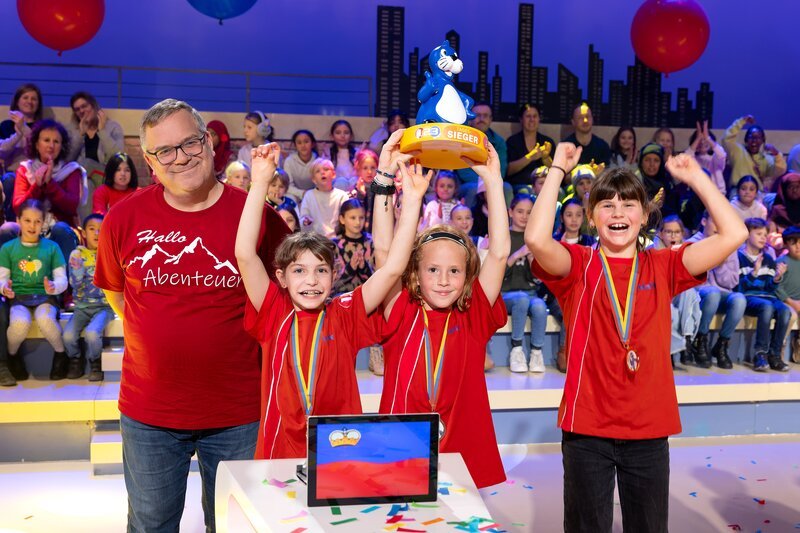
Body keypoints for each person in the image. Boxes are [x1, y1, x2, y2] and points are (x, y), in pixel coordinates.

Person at [525, 140, 746, 532]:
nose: (618, 213)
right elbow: (537, 241)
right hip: (587, 429)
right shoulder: (578, 265)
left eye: (629, 205)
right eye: (607, 205)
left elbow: (734, 234)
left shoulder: (664, 265)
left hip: (648, 430)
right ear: (592, 216)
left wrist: (696, 177)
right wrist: (557, 169)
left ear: (645, 216)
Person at [94, 98, 290, 532]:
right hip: (149, 414)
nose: (180, 157)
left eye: (190, 143)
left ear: (210, 142)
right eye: (165, 151)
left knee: (235, 525)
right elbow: (115, 291)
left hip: (240, 411)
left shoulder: (258, 216)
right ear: (149, 160)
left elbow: (285, 302)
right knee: (151, 524)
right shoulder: (123, 219)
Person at [235, 132, 424, 459]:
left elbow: (392, 268)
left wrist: (412, 200)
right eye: (299, 271)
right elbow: (245, 254)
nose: (311, 280)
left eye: (321, 270)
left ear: (334, 275)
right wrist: (261, 182)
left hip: (339, 450)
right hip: (281, 450)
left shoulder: (345, 311)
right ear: (281, 277)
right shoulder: (274, 311)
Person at [377, 139, 510, 489]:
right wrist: (389, 181)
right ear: (415, 273)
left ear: (468, 275)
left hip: (461, 451)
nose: (443, 280)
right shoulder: (400, 307)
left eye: (454, 271)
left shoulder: (472, 312)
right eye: (433, 270)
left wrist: (494, 183)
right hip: (402, 447)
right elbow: (384, 250)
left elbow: (497, 254)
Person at [0, 199, 68, 385]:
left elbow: (62, 279)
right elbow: (2, 278)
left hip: (45, 298)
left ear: (43, 223)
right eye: (28, 220)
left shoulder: (51, 248)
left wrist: (54, 286)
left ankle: (61, 355)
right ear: (19, 220)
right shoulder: (8, 249)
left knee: (46, 319)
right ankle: (13, 357)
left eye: (37, 221)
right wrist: (4, 288)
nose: (32, 226)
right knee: (20, 323)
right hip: (19, 299)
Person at [6, 119, 82, 265]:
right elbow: (18, 207)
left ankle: (64, 286)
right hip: (29, 228)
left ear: (62, 146)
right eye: (46, 140)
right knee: (7, 229)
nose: (51, 145)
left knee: (61, 229)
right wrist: (38, 185)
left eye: (56, 141)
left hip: (58, 228)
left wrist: (50, 184)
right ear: (36, 144)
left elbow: (71, 206)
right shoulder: (25, 169)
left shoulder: (71, 170)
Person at [686, 213, 746, 369]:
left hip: (721, 293)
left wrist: (720, 266)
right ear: (704, 221)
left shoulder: (729, 245)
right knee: (712, 293)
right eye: (715, 222)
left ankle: (722, 344)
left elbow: (733, 281)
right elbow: (689, 277)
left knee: (739, 299)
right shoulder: (691, 244)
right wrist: (712, 261)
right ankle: (700, 339)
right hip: (699, 293)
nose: (719, 226)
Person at [62, 214, 113, 381]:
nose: (97, 233)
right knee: (68, 335)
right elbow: (75, 284)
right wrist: (79, 268)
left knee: (92, 333)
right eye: (92, 229)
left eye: (101, 230)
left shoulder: (110, 253)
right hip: (81, 307)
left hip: (104, 306)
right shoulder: (77, 254)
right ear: (83, 233)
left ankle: (95, 362)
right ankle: (75, 359)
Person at [737, 218, 791, 372]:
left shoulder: (768, 259)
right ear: (747, 235)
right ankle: (760, 354)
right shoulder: (739, 257)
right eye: (759, 233)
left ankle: (775, 355)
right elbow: (740, 287)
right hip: (748, 297)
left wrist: (776, 278)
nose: (763, 237)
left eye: (765, 234)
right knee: (766, 307)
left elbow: (769, 288)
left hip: (767, 296)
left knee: (785, 310)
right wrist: (754, 272)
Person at [501, 194, 547, 373]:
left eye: (529, 212)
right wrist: (517, 255)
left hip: (530, 292)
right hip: (506, 294)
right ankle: (517, 349)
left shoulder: (534, 238)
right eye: (520, 211)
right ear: (510, 212)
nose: (524, 216)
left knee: (539, 307)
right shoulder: (503, 236)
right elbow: (496, 275)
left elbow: (538, 279)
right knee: (521, 299)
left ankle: (536, 352)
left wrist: (531, 260)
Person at [456, 102, 509, 206]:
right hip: (468, 183)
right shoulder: (462, 138)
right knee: (472, 188)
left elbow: (501, 170)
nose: (481, 119)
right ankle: (467, 221)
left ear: (491, 119)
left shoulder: (499, 142)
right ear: (470, 118)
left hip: (491, 179)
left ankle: (507, 221)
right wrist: (484, 183)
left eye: (485, 116)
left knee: (506, 187)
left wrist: (488, 181)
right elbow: (463, 172)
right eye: (478, 115)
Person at [66, 91, 125, 182]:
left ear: (93, 106)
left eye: (84, 106)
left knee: (87, 163)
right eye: (77, 109)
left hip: (107, 175)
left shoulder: (113, 127)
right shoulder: (72, 130)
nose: (81, 111)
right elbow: (68, 159)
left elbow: (118, 156)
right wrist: (80, 135)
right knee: (88, 183)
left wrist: (102, 131)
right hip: (85, 178)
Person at [723, 115, 786, 190]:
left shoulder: (765, 158)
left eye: (758, 138)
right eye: (751, 137)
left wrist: (776, 154)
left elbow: (780, 171)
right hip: (738, 192)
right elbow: (727, 139)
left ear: (763, 141)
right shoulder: (738, 151)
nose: (754, 141)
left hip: (757, 193)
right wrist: (742, 121)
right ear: (746, 139)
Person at [506, 103, 555, 194]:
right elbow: (508, 170)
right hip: (520, 185)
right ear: (521, 119)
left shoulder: (547, 142)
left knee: (558, 191)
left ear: (539, 119)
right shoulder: (512, 141)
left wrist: (545, 157)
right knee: (526, 191)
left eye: (535, 116)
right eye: (528, 116)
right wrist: (530, 157)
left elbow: (555, 171)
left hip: (544, 185)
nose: (532, 120)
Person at [331, 198, 374, 296]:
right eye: (353, 218)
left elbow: (379, 281)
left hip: (368, 297)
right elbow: (332, 285)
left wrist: (364, 268)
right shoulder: (333, 245)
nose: (358, 222)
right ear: (342, 219)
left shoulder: (371, 243)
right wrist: (350, 268)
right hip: (341, 299)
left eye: (361, 217)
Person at [299, 158, 349, 238]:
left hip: (338, 238)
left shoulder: (342, 196)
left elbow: (347, 219)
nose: (322, 172)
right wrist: (305, 221)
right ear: (314, 179)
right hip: (315, 239)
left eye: (326, 169)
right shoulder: (309, 195)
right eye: (318, 171)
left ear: (333, 174)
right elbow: (303, 218)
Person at [776, 226, 800, 364]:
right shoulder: (781, 262)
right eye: (793, 243)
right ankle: (780, 344)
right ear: (786, 244)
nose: (798, 246)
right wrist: (791, 302)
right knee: (791, 316)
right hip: (785, 301)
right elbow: (777, 287)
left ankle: (798, 344)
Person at [686, 120, 726, 195]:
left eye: (705, 139)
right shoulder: (693, 159)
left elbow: (722, 154)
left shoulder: (715, 158)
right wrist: (698, 138)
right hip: (697, 195)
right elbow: (686, 156)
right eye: (700, 140)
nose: (703, 142)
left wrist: (708, 138)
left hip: (717, 195)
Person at [284, 129, 318, 203]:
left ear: (312, 144)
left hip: (315, 194)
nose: (303, 145)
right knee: (289, 198)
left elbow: (320, 184)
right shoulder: (289, 161)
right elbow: (288, 185)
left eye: (306, 142)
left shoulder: (318, 161)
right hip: (296, 194)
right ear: (295, 145)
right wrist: (302, 193)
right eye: (299, 143)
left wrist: (311, 194)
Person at [349, 149, 379, 232]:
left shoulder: (381, 189)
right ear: (358, 169)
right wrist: (361, 194)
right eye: (365, 168)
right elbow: (354, 213)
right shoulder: (354, 191)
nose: (369, 172)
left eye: (373, 168)